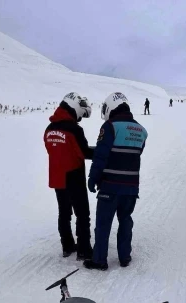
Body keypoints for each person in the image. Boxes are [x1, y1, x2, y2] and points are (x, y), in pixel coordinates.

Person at [84, 92, 148, 271]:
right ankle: (124, 257)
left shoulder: (110, 126)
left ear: (111, 106)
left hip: (110, 187)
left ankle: (99, 260)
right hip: (131, 188)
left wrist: (93, 177)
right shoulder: (141, 130)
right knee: (125, 221)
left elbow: (101, 156)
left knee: (103, 225)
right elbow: (136, 154)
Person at [44, 92, 94, 260]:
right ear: (74, 106)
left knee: (64, 213)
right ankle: (84, 250)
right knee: (82, 214)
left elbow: (51, 150)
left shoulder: (49, 129)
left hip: (57, 176)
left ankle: (67, 246)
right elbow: (84, 152)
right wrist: (101, 151)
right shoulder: (74, 129)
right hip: (74, 175)